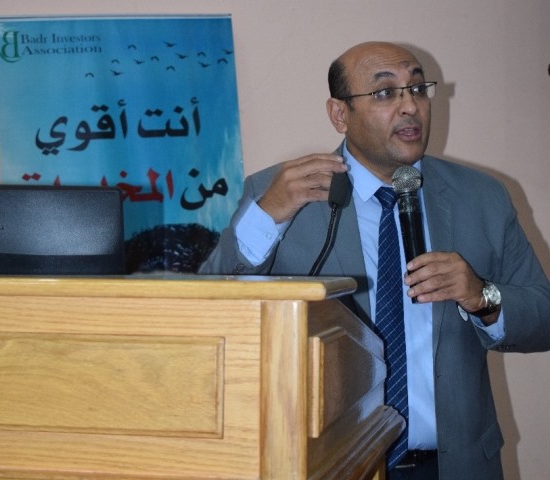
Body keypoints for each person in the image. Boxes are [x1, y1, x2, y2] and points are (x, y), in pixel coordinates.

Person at [199, 41, 550, 479]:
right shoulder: (279, 193)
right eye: (385, 93)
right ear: (339, 114)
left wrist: (484, 297)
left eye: (417, 88)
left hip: (457, 466)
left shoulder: (481, 197)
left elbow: (543, 316)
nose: (410, 107)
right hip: (334, 466)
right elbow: (210, 308)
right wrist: (267, 216)